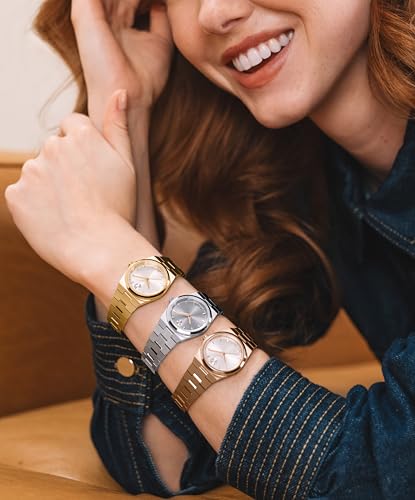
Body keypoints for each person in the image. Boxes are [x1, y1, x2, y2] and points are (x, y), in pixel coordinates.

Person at [5, 0, 415, 498]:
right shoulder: (298, 172)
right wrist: (127, 114)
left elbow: (368, 471)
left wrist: (115, 260)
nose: (214, 13)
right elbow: (165, 459)